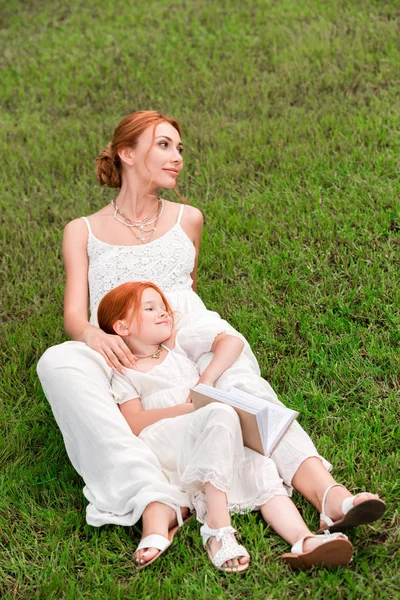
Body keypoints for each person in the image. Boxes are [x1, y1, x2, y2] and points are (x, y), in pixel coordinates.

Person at [37, 110, 385, 568]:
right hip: (115, 335)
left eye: (179, 148)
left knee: (242, 383)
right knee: (56, 363)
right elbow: (72, 315)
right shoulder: (81, 230)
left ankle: (328, 496)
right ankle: (150, 493)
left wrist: (194, 359)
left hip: (181, 321)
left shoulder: (188, 218)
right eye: (163, 145)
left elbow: (189, 292)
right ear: (126, 153)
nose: (176, 156)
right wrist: (92, 336)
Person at [97, 280, 354, 571]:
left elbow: (232, 342)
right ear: (121, 327)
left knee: (258, 464)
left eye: (164, 307)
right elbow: (135, 421)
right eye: (150, 308)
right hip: (170, 436)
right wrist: (191, 407)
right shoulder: (125, 371)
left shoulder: (174, 346)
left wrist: (204, 382)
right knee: (221, 412)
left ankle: (303, 539)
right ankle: (217, 529)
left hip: (212, 428)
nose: (164, 312)